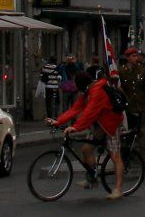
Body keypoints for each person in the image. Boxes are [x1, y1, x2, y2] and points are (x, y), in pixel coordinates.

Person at [50, 70, 124, 199]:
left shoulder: (97, 92)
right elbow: (76, 108)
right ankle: (92, 180)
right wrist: (58, 121)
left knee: (115, 155)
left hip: (111, 123)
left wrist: (75, 127)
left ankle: (118, 189)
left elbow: (89, 113)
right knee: (85, 149)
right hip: (99, 124)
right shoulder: (87, 92)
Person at [117, 47, 145, 151]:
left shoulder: (142, 70)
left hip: (141, 106)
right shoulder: (122, 71)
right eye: (133, 56)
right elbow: (119, 88)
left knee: (143, 133)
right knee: (128, 133)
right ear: (128, 58)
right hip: (129, 107)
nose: (136, 58)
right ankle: (128, 156)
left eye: (137, 56)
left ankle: (143, 158)